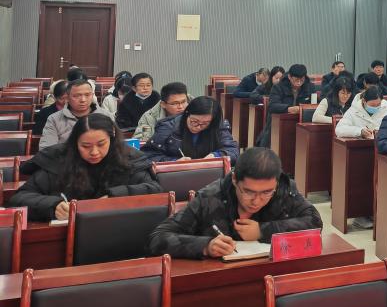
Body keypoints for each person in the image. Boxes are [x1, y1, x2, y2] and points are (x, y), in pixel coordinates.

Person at [147, 147, 322, 259]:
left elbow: (315, 222)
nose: (257, 201)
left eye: (266, 192)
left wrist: (263, 230)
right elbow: (158, 238)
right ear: (234, 179)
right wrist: (206, 246)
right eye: (248, 192)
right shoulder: (210, 198)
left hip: (272, 273)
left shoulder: (284, 190)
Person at [13, 113, 161, 221]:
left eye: (101, 144)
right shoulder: (58, 159)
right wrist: (52, 206)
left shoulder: (128, 158)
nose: (94, 152)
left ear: (112, 138)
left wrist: (115, 197)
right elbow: (19, 198)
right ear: (75, 142)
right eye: (85, 146)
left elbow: (154, 190)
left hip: (118, 231)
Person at [142, 96, 239, 163]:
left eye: (205, 123)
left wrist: (216, 156)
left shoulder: (218, 126)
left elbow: (233, 151)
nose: (198, 126)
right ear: (186, 114)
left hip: (211, 174)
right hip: (175, 175)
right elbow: (148, 155)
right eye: (194, 121)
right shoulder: (168, 127)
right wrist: (173, 161)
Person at [40, 79, 115, 149]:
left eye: (87, 95)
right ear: (67, 98)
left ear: (92, 95)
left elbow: (115, 145)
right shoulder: (54, 119)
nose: (83, 100)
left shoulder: (106, 116)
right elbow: (46, 150)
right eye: (76, 96)